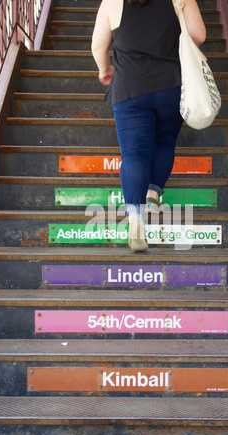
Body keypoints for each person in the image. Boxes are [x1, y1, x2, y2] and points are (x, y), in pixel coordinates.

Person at [92, 0, 206, 252]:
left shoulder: (112, 2)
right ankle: (153, 193)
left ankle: (135, 217)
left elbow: (98, 45)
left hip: (129, 88)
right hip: (171, 84)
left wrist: (104, 70)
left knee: (134, 154)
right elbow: (198, 35)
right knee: (165, 142)